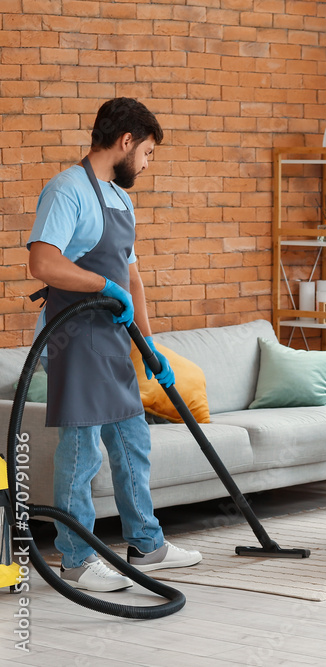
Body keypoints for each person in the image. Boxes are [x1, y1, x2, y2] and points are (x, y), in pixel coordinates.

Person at [27, 98, 202, 592]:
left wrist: (149, 346)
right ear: (126, 141)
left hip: (114, 340)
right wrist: (103, 289)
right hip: (75, 338)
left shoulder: (121, 199)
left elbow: (131, 274)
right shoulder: (67, 191)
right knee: (82, 452)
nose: (147, 163)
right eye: (147, 152)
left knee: (132, 443)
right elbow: (43, 263)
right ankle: (77, 560)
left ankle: (147, 545)